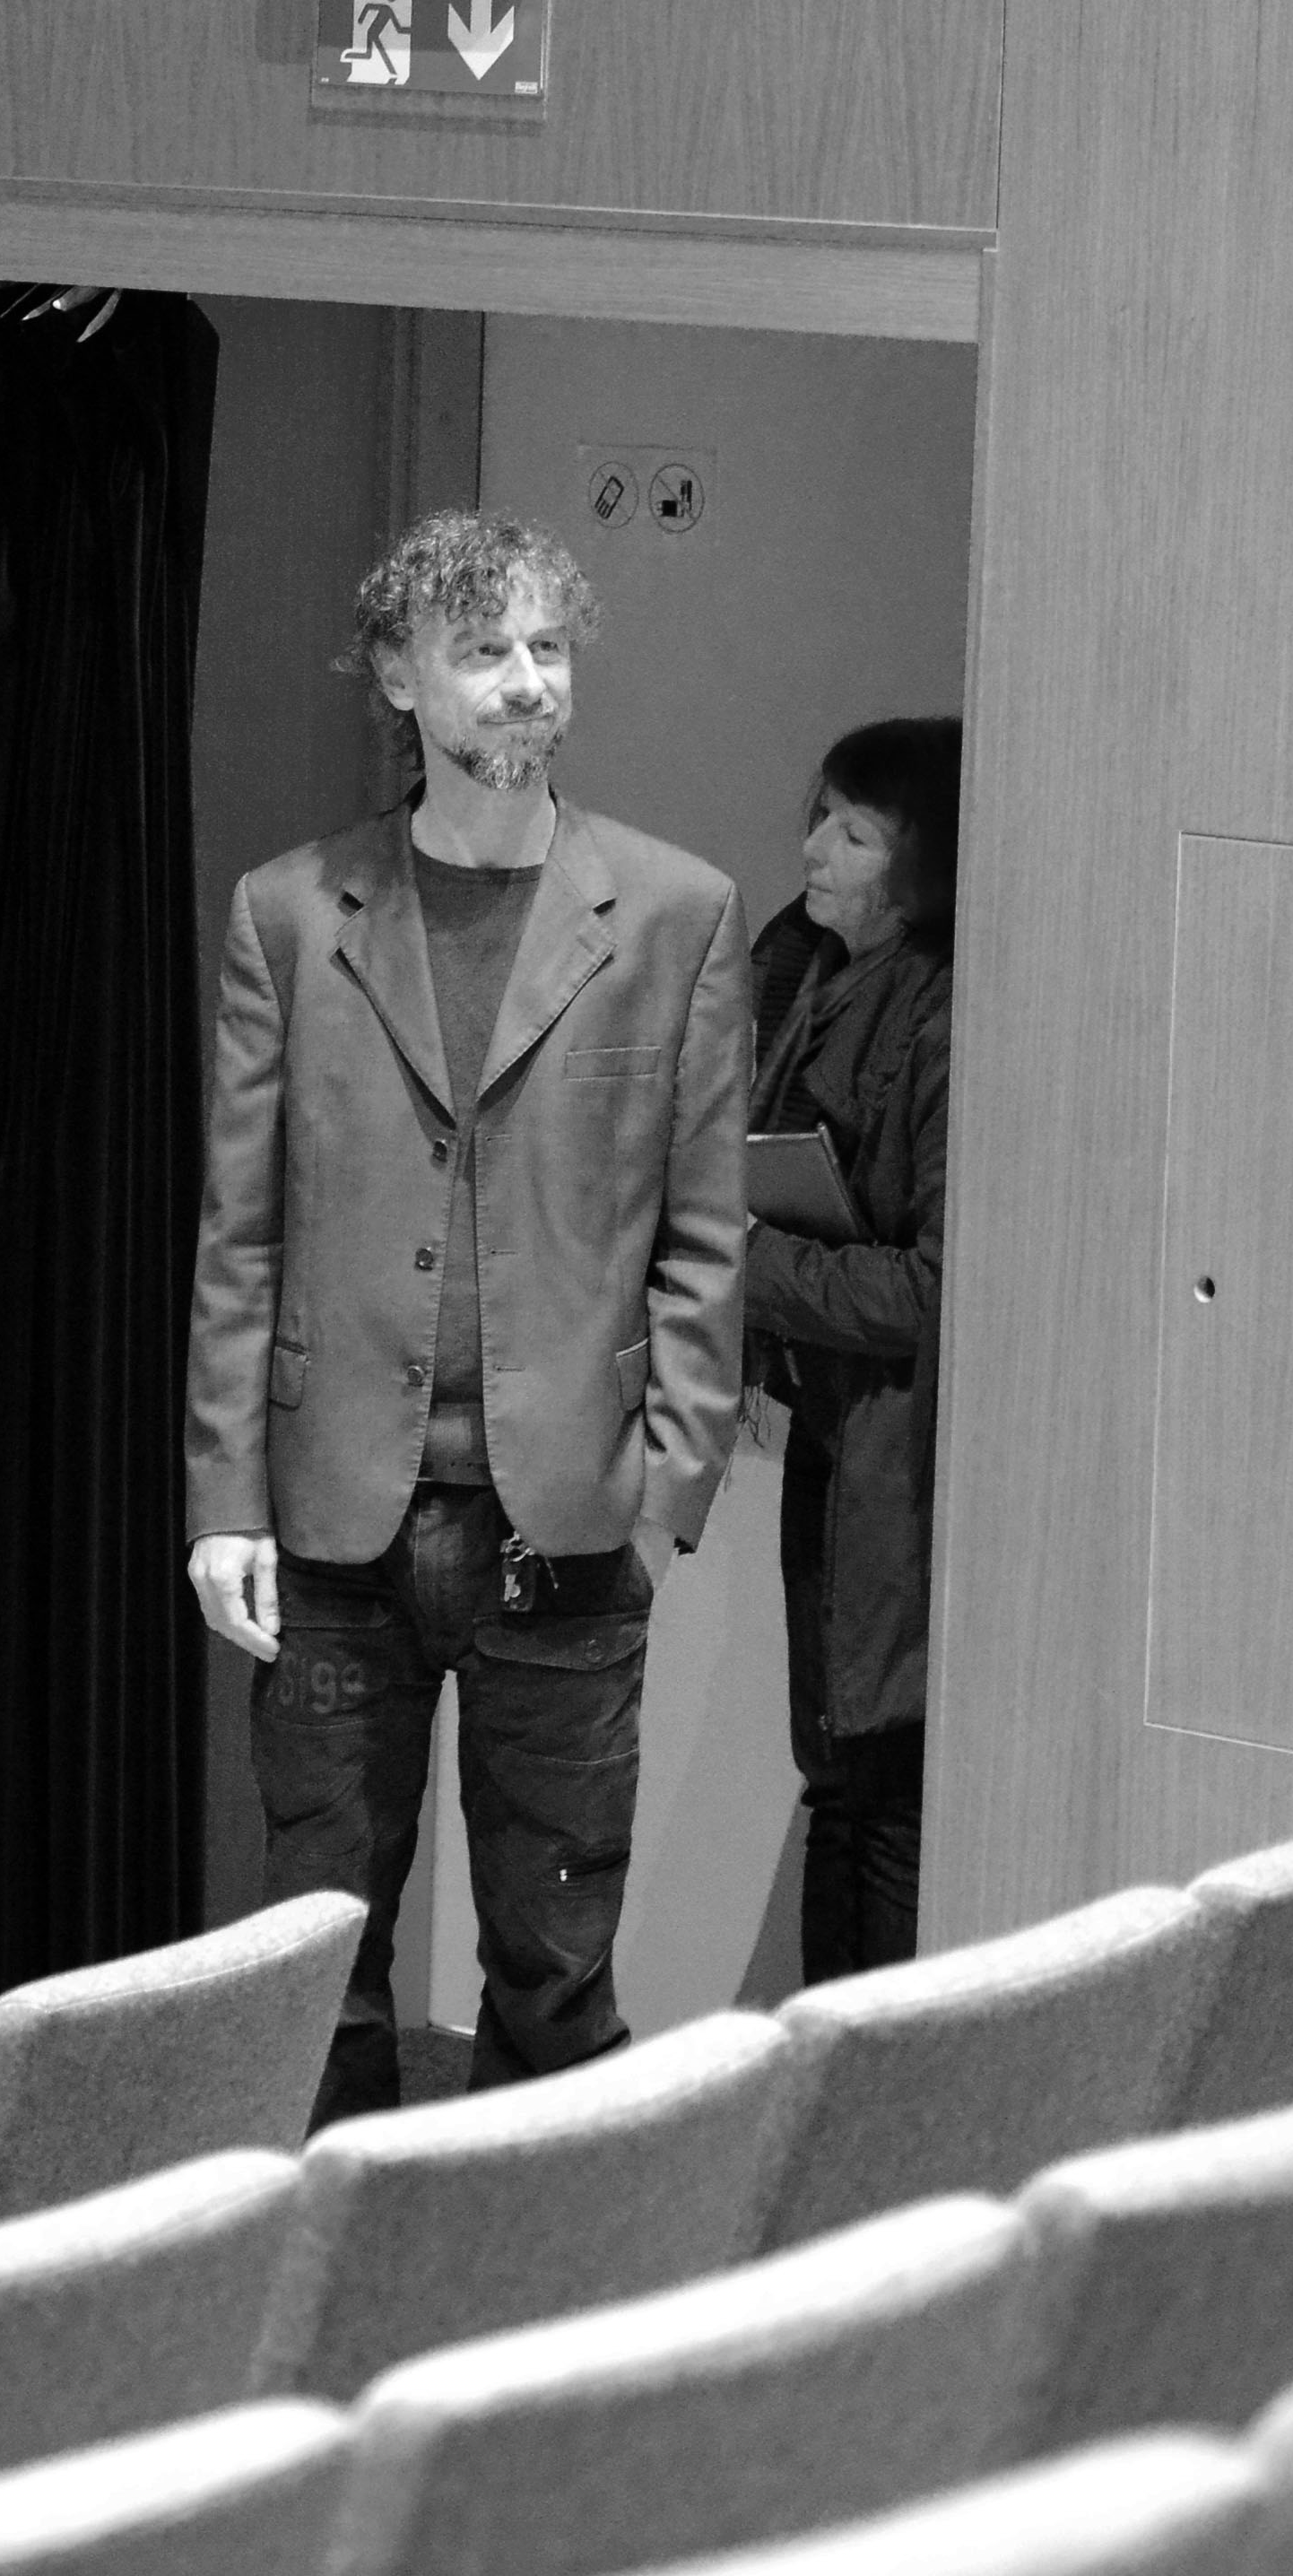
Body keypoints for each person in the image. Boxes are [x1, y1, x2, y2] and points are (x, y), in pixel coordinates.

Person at [184, 513, 750, 2118]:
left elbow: (708, 1233)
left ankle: (530, 2274)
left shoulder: (678, 910)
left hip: (568, 1522)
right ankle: (327, 2268)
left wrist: (669, 1495)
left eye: (548, 649)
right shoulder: (293, 911)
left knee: (557, 1980)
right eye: (484, 650)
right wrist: (223, 1499)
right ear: (397, 674)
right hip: (330, 1521)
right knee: (313, 1975)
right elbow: (241, 1230)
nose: (525, 683)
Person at [745, 716, 959, 1980]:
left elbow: (942, 1289)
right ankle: (823, 2070)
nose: (816, 849)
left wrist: (745, 1260)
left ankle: (876, 2080)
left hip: (903, 1457)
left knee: (884, 1796)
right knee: (837, 1778)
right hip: (833, 1426)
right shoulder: (806, 971)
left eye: (857, 833)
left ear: (928, 862)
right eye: (819, 816)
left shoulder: (944, 1012)